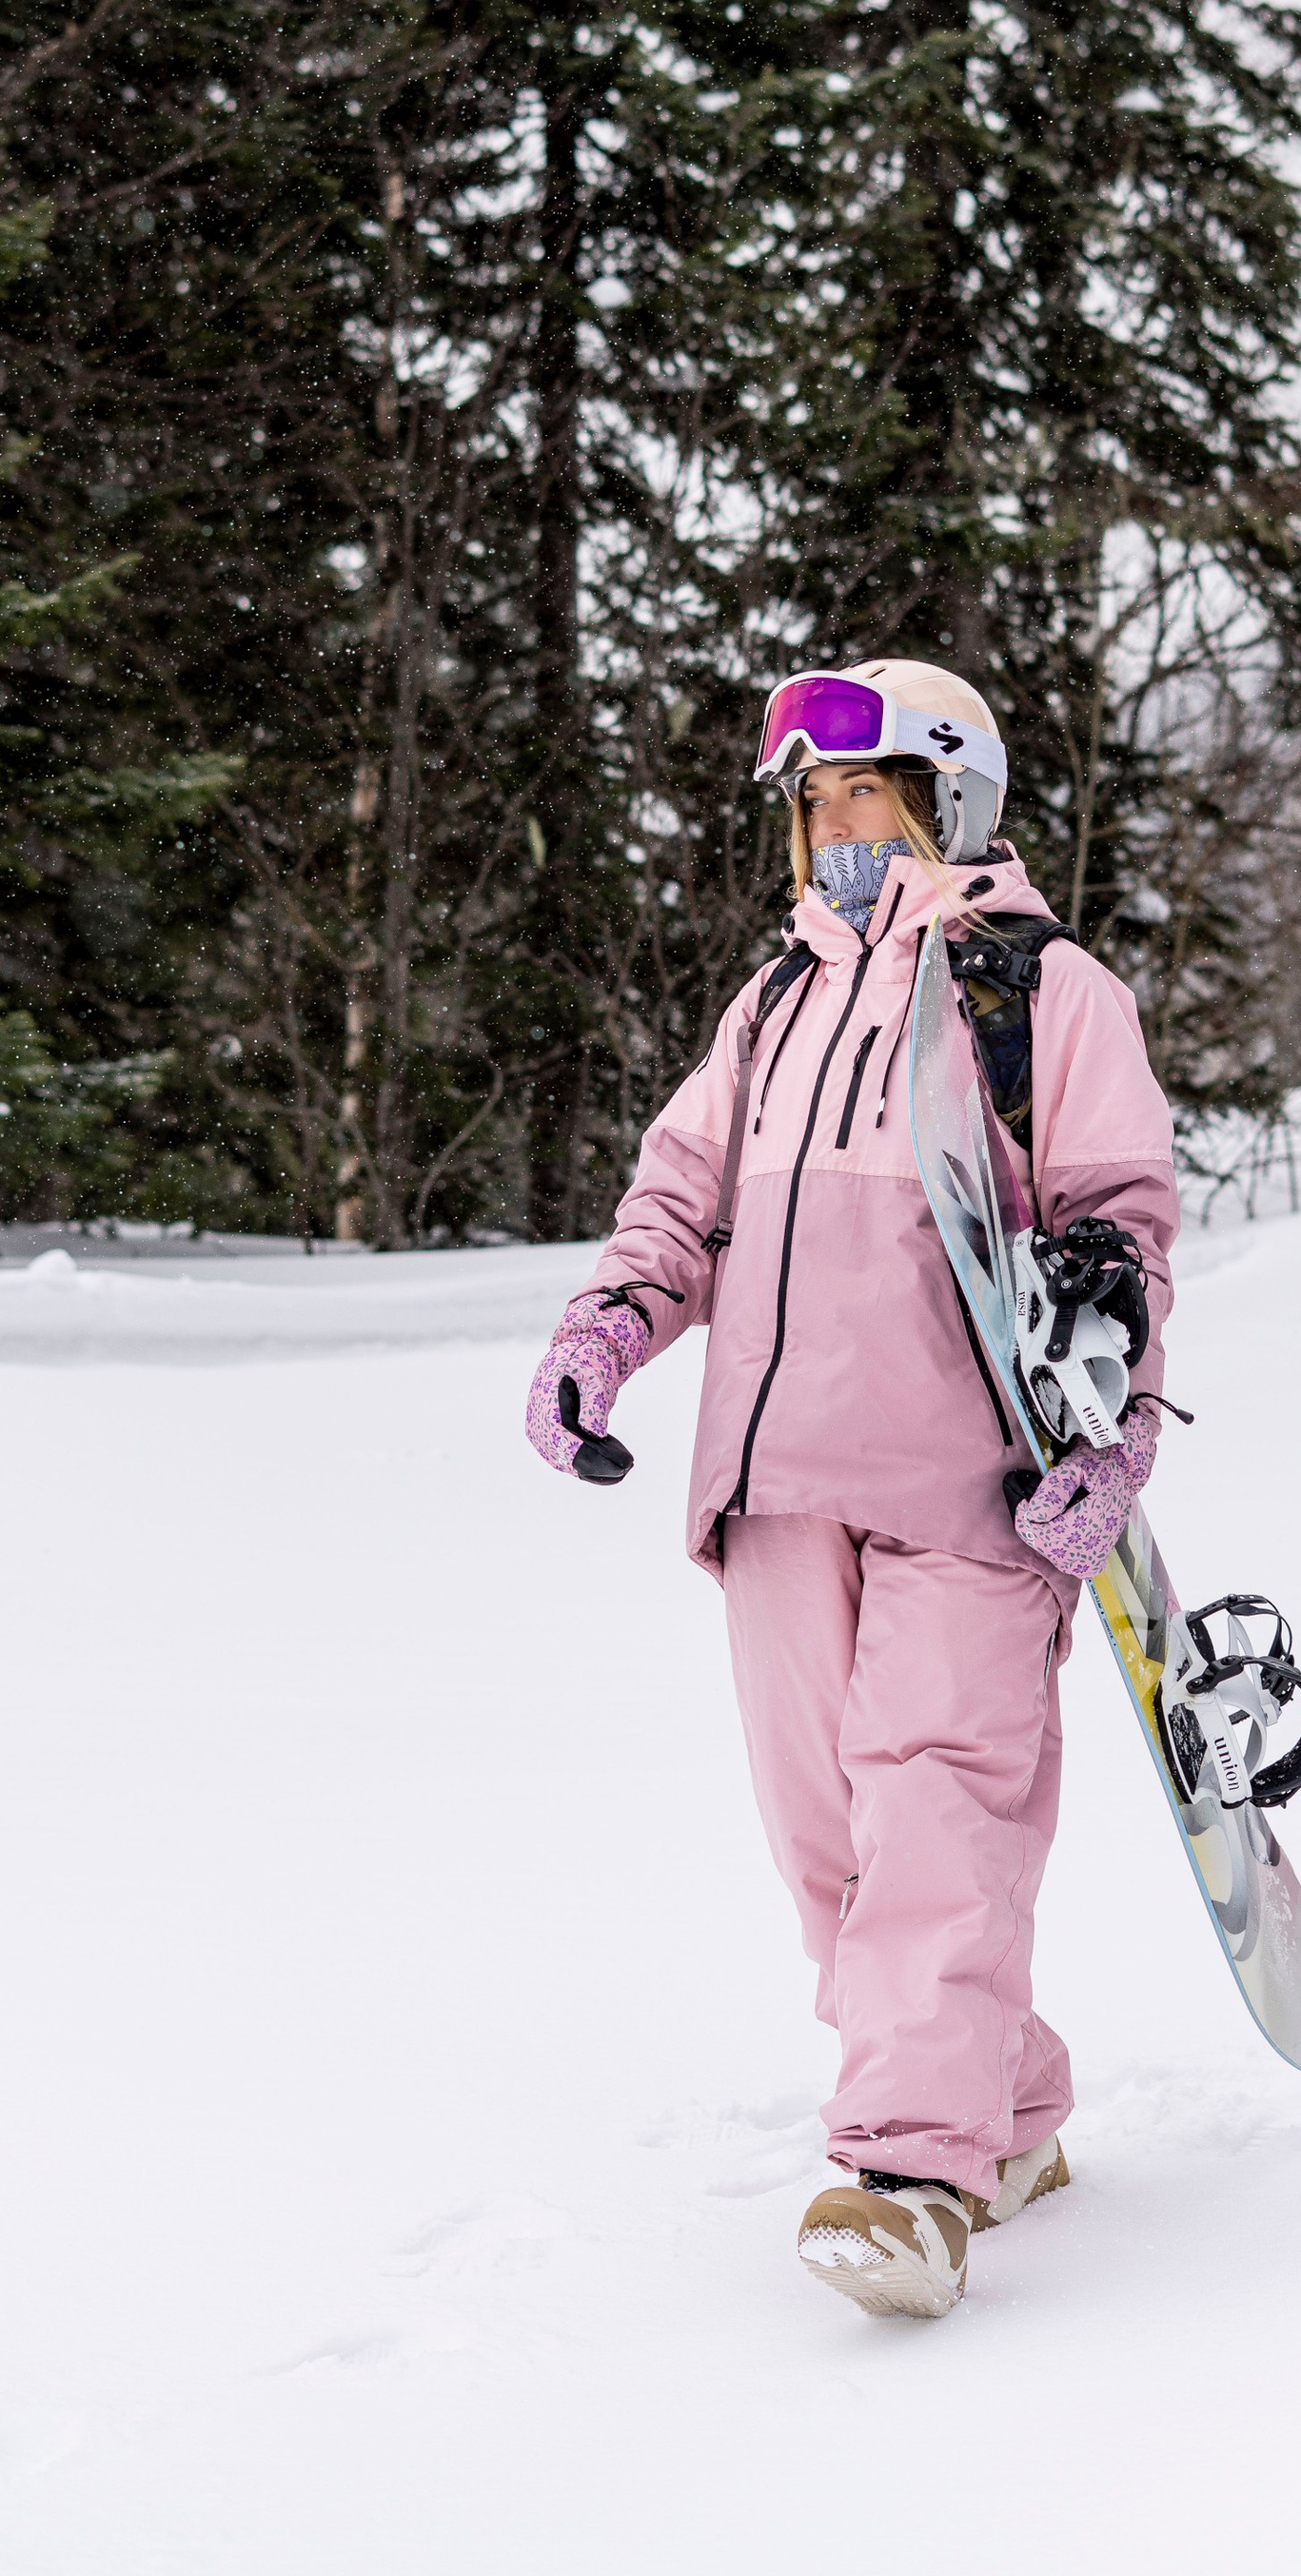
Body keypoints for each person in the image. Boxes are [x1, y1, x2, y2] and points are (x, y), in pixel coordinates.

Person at [526, 659, 1180, 2320]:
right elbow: (682, 1200)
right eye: (813, 801)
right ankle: (1008, 2107)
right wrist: (612, 1324)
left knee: (936, 1808)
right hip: (774, 1483)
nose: (834, 828)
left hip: (969, 1486)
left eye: (866, 793)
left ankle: (910, 2170)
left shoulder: (1040, 994)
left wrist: (1112, 1428)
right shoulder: (773, 1007)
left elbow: (1120, 1221)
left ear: (949, 799)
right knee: (831, 1845)